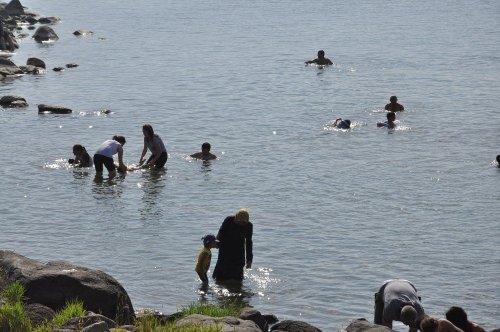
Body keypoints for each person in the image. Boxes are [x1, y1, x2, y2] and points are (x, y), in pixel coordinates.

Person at [212, 208, 253, 281]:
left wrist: (249, 260)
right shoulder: (229, 220)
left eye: (243, 223)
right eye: (239, 222)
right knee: (220, 276)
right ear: (236, 218)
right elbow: (221, 232)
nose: (241, 224)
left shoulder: (249, 226)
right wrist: (217, 243)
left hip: (239, 252)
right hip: (225, 249)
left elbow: (249, 243)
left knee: (237, 278)